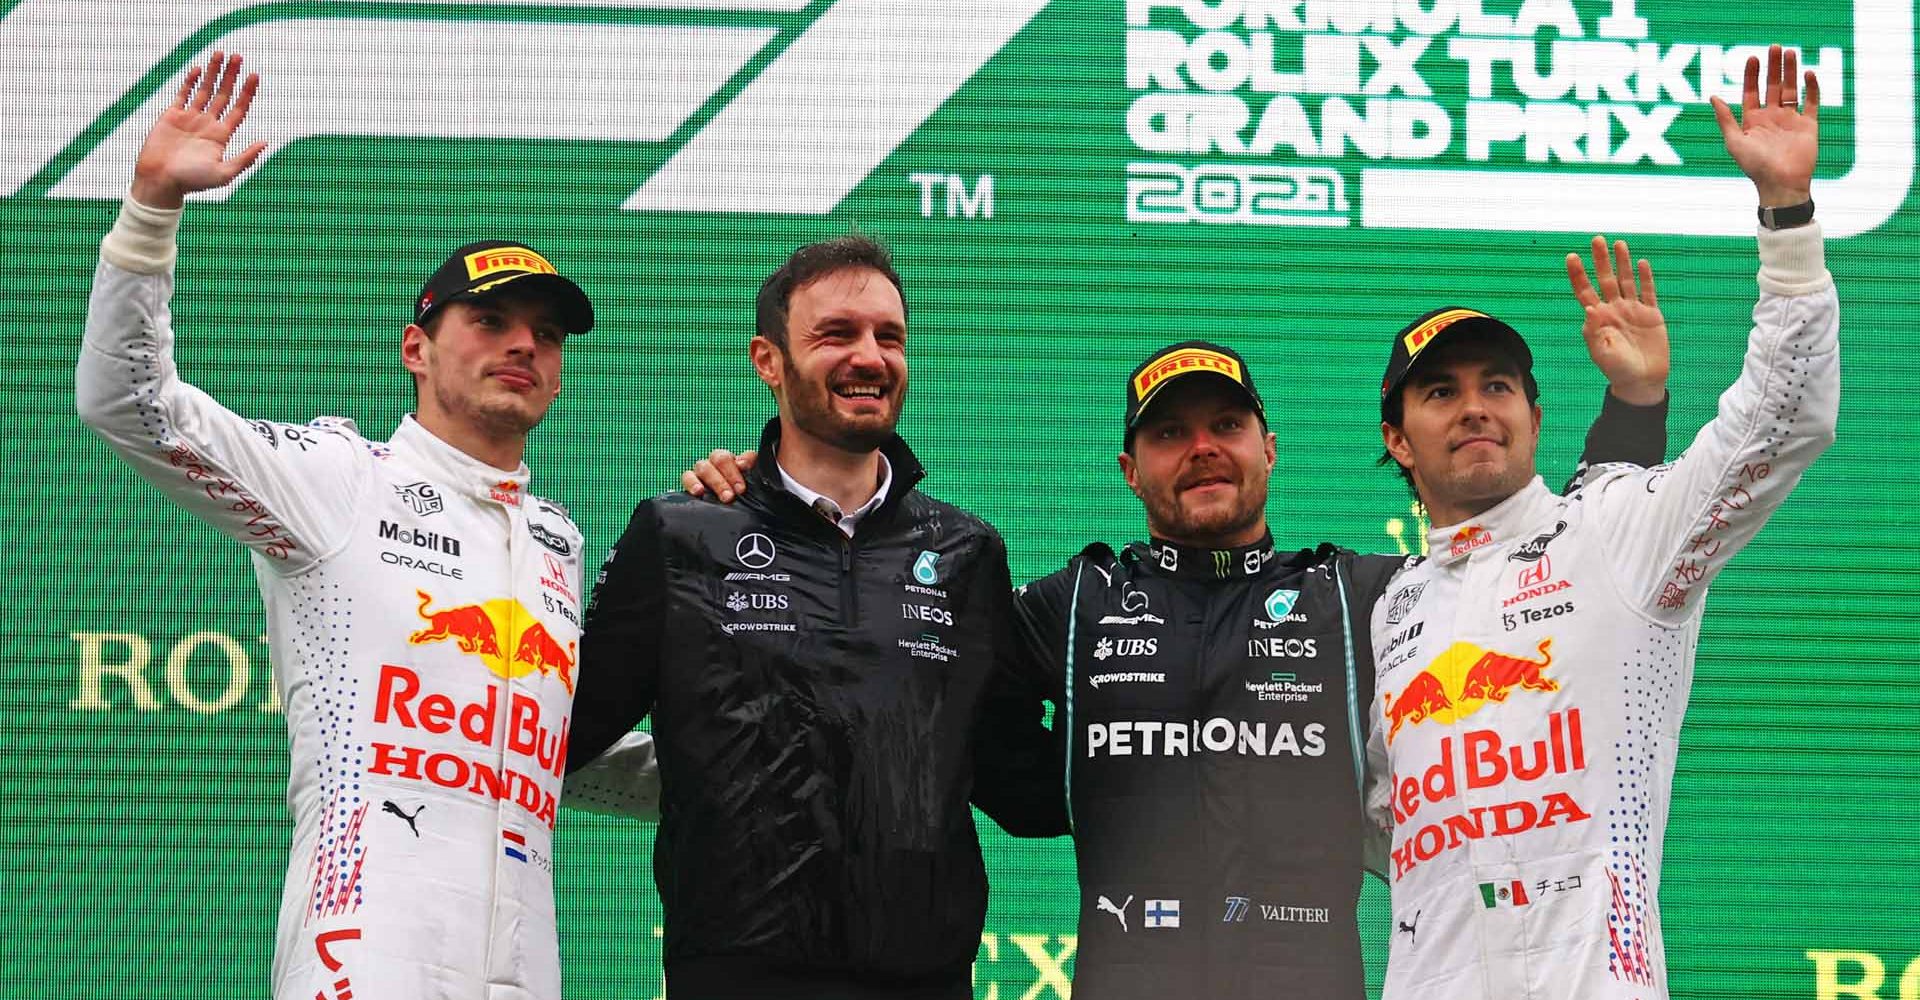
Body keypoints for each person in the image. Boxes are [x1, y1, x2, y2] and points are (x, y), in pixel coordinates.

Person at [684, 335, 1666, 998]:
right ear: (1128, 468)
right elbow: (905, 672)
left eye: (1225, 426)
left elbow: (1556, 556)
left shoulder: (1365, 593)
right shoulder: (1072, 604)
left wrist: (1631, 413)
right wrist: (769, 502)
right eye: (1169, 433)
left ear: (1269, 449)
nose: (1201, 449)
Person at [76, 53, 603, 1000]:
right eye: (489, 320)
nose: (524, 343)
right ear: (416, 347)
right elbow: (129, 403)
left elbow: (580, 750)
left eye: (547, 333)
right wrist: (153, 208)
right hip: (364, 958)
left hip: (528, 971)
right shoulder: (340, 477)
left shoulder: (556, 540)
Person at [1364, 44, 1836, 1000]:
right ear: (1400, 442)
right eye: (1441, 393)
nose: (1474, 408)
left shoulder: (1616, 532)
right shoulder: (1388, 609)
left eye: (1499, 386)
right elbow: (1380, 822)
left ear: (1537, 420)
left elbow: (1783, 417)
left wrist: (1786, 216)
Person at [565, 236, 1064, 1000]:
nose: (870, 357)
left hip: (925, 983)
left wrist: (1165, 729)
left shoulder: (966, 553)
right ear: (767, 360)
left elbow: (1018, 783)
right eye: (836, 334)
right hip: (732, 979)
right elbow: (557, 733)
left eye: (888, 337)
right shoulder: (682, 536)